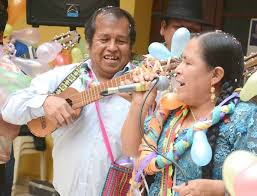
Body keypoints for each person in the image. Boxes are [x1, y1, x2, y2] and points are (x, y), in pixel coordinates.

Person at [2, 6, 137, 196]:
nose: (112, 47)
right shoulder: (65, 76)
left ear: (130, 46)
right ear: (90, 43)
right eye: (104, 39)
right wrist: (45, 102)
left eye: (121, 41)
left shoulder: (143, 83)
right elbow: (10, 109)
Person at [121, 31, 257, 195]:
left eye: (188, 63)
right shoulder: (170, 109)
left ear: (215, 75)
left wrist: (218, 189)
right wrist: (138, 102)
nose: (177, 69)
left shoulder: (244, 117)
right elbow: (131, 150)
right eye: (180, 61)